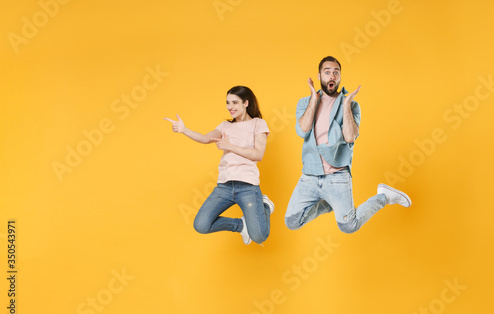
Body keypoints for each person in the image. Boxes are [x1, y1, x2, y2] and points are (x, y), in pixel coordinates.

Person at [285, 56, 411, 234]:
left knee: (348, 226)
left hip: (337, 176)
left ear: (340, 77)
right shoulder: (304, 102)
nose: (332, 76)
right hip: (310, 176)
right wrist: (314, 98)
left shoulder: (352, 105)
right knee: (292, 221)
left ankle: (384, 197)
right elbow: (302, 131)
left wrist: (345, 106)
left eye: (336, 73)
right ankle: (328, 203)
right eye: (327, 72)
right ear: (319, 75)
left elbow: (350, 137)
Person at [165, 86, 274, 245]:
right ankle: (240, 225)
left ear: (246, 103)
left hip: (248, 187)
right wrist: (184, 130)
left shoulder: (258, 123)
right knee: (201, 225)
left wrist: (230, 146)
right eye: (228, 103)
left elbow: (258, 154)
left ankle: (264, 205)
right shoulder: (225, 126)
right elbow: (205, 138)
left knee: (259, 237)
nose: (230, 107)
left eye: (235, 102)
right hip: (224, 187)